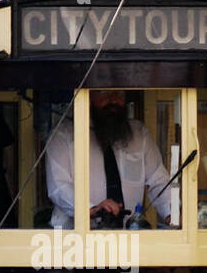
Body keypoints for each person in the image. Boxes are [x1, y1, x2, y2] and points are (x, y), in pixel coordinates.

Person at [44, 90, 173, 229]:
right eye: (105, 94)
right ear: (89, 95)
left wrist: (173, 214)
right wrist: (91, 209)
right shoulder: (63, 135)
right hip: (75, 240)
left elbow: (159, 181)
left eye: (119, 94)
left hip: (128, 238)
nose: (113, 100)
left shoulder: (139, 134)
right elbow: (59, 187)